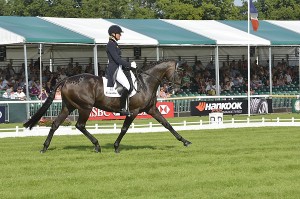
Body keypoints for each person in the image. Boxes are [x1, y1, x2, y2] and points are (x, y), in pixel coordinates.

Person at [105, 25, 137, 116]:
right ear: (113, 34)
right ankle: (122, 109)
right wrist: (130, 64)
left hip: (118, 67)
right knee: (127, 86)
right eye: (119, 34)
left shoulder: (114, 44)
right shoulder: (111, 44)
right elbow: (117, 60)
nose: (120, 35)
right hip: (114, 68)